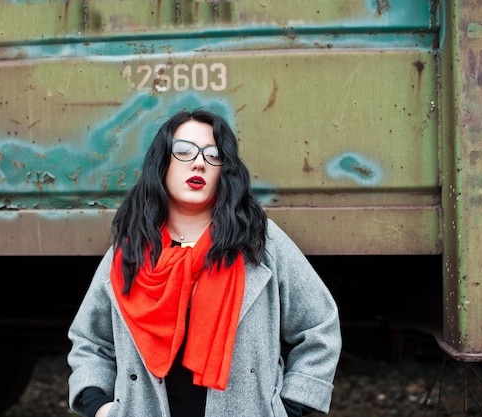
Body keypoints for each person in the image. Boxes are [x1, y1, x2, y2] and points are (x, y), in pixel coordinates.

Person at [67, 108, 341, 417]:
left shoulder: (257, 240)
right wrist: (99, 407)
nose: (199, 162)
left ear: (224, 171)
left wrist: (289, 407)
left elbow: (320, 324)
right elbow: (90, 340)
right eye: (183, 151)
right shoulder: (130, 249)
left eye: (213, 155)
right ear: (162, 162)